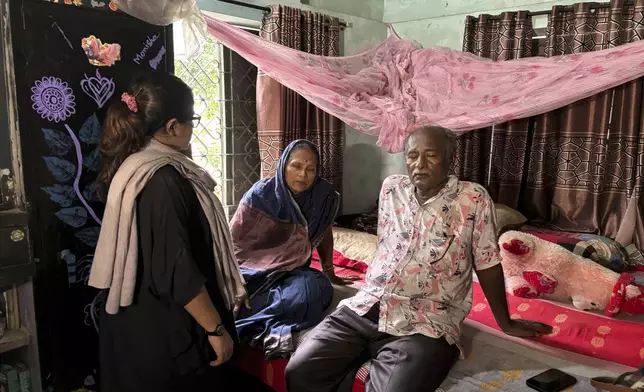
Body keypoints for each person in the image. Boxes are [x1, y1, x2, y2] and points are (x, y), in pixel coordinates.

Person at [284, 126, 553, 392]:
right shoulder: (391, 188)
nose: (419, 164)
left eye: (431, 155)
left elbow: (487, 262)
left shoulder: (472, 199)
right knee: (300, 371)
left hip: (427, 320)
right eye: (412, 156)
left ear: (450, 159)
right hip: (368, 305)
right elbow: (387, 245)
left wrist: (506, 323)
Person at [88, 72, 273, 392]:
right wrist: (216, 331)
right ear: (172, 126)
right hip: (166, 334)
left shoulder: (135, 166)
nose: (192, 127)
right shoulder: (163, 180)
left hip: (137, 325)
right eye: (192, 120)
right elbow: (176, 271)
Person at [231, 139, 358, 357]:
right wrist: (234, 282)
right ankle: (265, 326)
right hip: (251, 275)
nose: (303, 175)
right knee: (231, 298)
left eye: (311, 169)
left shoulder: (322, 195)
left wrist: (329, 272)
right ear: (283, 165)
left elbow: (324, 228)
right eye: (296, 166)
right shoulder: (260, 194)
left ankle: (241, 327)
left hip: (292, 273)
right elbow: (233, 244)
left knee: (317, 289)